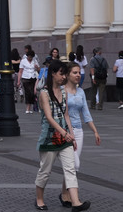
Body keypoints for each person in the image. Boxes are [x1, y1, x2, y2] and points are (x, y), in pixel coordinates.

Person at [34, 59, 90, 212]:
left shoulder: (64, 91)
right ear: (53, 74)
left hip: (64, 139)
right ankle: (39, 199)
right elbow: (49, 117)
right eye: (61, 74)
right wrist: (64, 133)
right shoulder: (44, 93)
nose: (64, 77)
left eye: (65, 74)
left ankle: (76, 202)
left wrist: (71, 135)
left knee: (70, 169)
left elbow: (66, 115)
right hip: (49, 138)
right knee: (45, 172)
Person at [64, 62, 100, 194]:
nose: (78, 75)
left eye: (79, 72)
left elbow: (86, 113)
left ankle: (65, 195)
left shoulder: (81, 92)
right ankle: (73, 197)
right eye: (75, 72)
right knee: (74, 164)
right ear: (67, 75)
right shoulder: (62, 91)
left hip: (79, 132)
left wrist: (95, 131)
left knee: (72, 167)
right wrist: (67, 132)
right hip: (66, 132)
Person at [20, 49, 41, 114]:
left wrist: (37, 68)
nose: (30, 58)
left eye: (31, 57)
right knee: (27, 92)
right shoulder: (23, 61)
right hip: (25, 77)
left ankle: (31, 107)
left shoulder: (35, 61)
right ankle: (27, 107)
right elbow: (20, 71)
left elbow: (39, 70)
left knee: (32, 92)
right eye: (29, 57)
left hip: (33, 77)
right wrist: (19, 80)